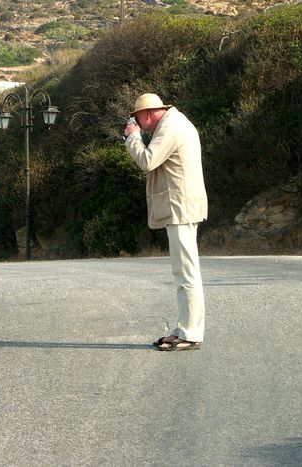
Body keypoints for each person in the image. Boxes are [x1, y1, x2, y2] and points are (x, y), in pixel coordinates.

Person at [123, 93, 208, 351]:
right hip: (183, 205)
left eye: (137, 118)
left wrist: (132, 137)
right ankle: (186, 329)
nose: (137, 122)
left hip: (181, 207)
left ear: (147, 113)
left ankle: (190, 333)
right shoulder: (175, 122)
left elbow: (148, 160)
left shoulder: (171, 126)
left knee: (186, 272)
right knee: (184, 271)